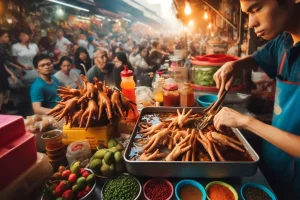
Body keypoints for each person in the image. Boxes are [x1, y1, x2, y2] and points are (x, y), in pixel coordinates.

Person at [213, 0, 300, 199]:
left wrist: (246, 122)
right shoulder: (284, 41)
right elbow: (257, 58)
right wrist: (234, 65)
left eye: (257, 8)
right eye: (247, 13)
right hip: (274, 163)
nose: (251, 23)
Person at [0, 29, 17, 113]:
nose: (8, 38)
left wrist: (11, 74)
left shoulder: (3, 48)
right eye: (6, 36)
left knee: (5, 99)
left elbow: (2, 64)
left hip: (3, 76)